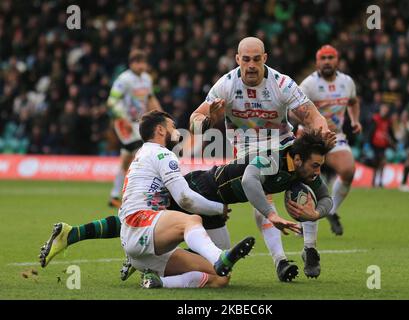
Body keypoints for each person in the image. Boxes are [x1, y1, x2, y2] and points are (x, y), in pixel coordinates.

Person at [40, 130, 332, 280]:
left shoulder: (305, 170)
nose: (317, 172)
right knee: (209, 261)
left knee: (207, 264)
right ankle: (137, 260)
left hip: (217, 200)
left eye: (320, 167)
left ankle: (89, 240)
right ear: (298, 157)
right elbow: (249, 183)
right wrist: (273, 215)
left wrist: (315, 212)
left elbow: (327, 197)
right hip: (203, 189)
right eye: (315, 166)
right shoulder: (272, 156)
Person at [189, 37, 334, 281]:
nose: (252, 65)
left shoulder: (281, 84)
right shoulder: (226, 85)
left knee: (306, 185)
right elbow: (194, 121)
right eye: (246, 59)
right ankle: (280, 261)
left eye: (257, 59)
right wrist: (205, 122)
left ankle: (309, 248)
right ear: (238, 60)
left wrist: (323, 132)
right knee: (261, 200)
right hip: (247, 151)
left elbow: (313, 116)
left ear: (265, 58)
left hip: (283, 145)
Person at [299, 44, 361, 236]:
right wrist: (314, 124)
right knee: (303, 179)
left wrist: (355, 120)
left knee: (348, 170)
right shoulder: (308, 84)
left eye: (330, 58)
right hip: (310, 137)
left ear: (337, 60)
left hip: (335, 137)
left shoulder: (347, 82)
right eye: (323, 58)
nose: (327, 61)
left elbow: (353, 101)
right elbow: (295, 110)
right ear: (317, 62)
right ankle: (303, 220)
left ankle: (331, 211)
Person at [107, 49, 162, 208]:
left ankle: (115, 195)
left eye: (143, 62)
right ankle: (140, 194)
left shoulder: (146, 79)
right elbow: (112, 101)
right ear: (132, 63)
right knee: (141, 149)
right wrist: (122, 118)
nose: (141, 66)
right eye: (138, 62)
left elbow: (150, 98)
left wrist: (162, 114)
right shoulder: (123, 79)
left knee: (126, 158)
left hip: (139, 122)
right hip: (124, 122)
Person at [368, 104, 396, 187]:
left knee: (382, 163)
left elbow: (390, 132)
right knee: (377, 164)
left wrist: (394, 141)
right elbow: (370, 132)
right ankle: (374, 181)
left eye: (386, 110)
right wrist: (368, 142)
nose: (385, 111)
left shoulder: (388, 121)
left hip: (383, 145)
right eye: (383, 109)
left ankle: (379, 181)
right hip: (375, 145)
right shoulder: (375, 119)